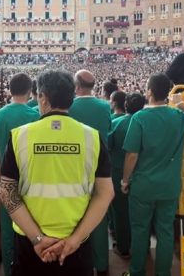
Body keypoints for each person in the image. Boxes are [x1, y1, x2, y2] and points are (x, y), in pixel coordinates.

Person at [0, 70, 114, 276]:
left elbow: (7, 193)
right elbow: (105, 193)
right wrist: (74, 240)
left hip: (30, 243)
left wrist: (38, 239)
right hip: (75, 245)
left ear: (42, 98)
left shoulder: (19, 137)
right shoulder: (93, 138)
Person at [121, 74, 184, 276]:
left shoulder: (139, 118)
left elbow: (132, 154)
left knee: (140, 231)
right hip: (169, 186)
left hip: (143, 186)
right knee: (166, 232)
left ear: (149, 91)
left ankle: (136, 271)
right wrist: (182, 105)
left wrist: (125, 180)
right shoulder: (178, 116)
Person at [0, 73, 41, 276]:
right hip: (30, 180)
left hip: (5, 180)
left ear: (10, 90)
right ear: (30, 92)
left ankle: (9, 268)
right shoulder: (35, 116)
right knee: (30, 223)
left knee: (7, 226)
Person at [68, 69, 112, 275]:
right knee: (99, 217)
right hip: (100, 166)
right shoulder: (105, 106)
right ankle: (102, 265)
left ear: (76, 87)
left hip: (74, 167)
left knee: (75, 216)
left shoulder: (69, 107)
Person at [108, 92, 146, 259]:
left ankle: (123, 246)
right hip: (143, 173)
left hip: (118, 172)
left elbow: (108, 148)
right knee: (143, 214)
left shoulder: (115, 123)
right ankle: (141, 248)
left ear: (125, 106)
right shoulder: (148, 123)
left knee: (121, 212)